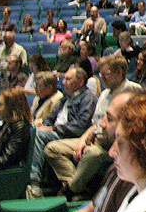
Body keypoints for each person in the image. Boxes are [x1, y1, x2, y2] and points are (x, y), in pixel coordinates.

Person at [44, 56, 141, 198]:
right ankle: (77, 188)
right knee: (52, 149)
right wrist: (83, 139)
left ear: (119, 72)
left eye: (106, 74)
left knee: (92, 154)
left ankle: (70, 191)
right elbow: (96, 122)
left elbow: (134, 128)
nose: (102, 78)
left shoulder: (132, 92)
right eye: (100, 74)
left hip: (113, 145)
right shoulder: (105, 94)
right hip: (95, 138)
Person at [42, 92, 138, 212]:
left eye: (109, 119)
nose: (102, 124)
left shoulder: (144, 194)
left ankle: (72, 190)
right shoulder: (115, 171)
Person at [26, 67, 98, 199]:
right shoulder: (66, 97)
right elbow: (52, 118)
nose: (63, 82)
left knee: (39, 134)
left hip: (70, 135)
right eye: (64, 78)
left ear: (80, 82)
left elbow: (81, 126)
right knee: (34, 130)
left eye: (68, 79)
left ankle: (34, 182)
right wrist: (43, 123)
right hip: (58, 131)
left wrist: (54, 129)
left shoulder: (88, 98)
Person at [0, 87, 32, 174]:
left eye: (0, 104)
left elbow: (7, 160)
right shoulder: (6, 124)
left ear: (12, 107)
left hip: (7, 174)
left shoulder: (20, 128)